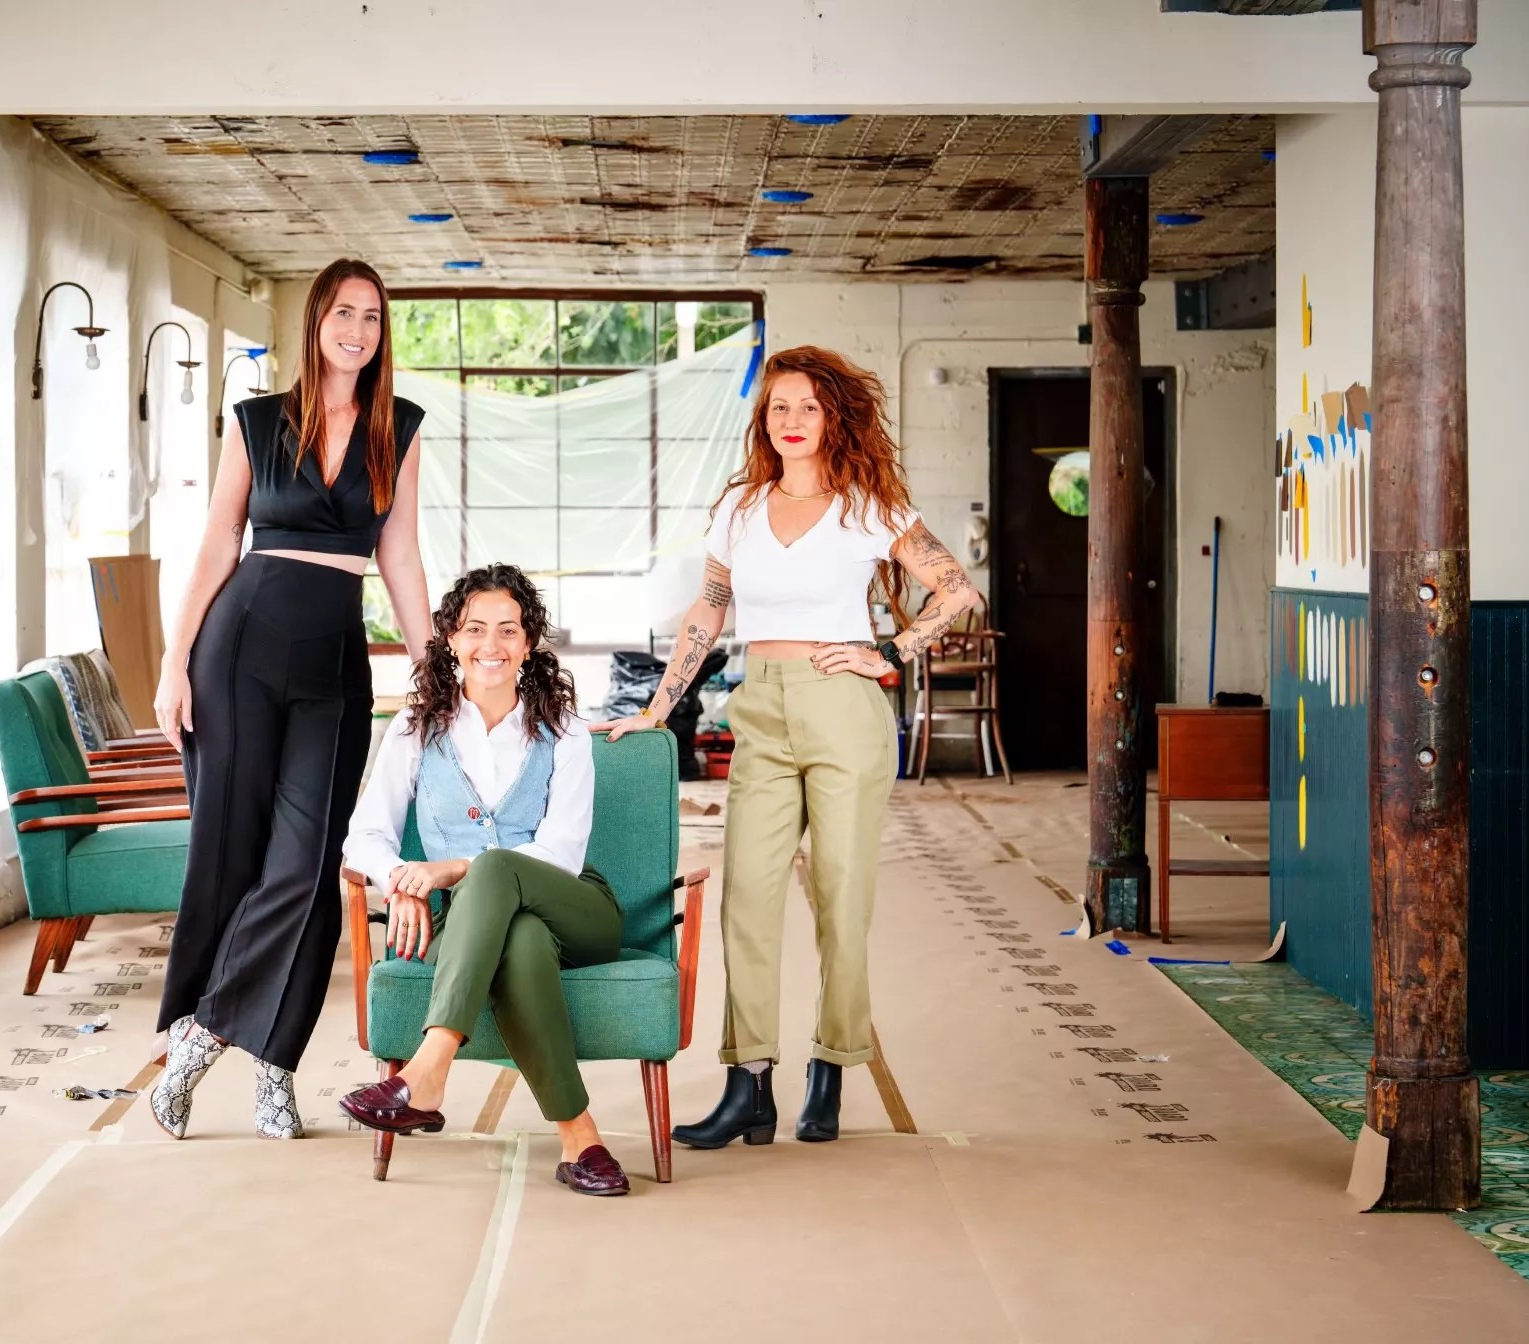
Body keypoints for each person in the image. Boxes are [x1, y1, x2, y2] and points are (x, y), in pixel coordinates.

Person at [596, 345, 982, 1147]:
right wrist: (660, 709)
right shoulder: (739, 509)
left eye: (809, 406)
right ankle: (750, 1086)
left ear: (833, 415)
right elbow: (706, 615)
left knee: (842, 905)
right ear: (763, 419)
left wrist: (892, 652)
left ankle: (831, 1074)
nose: (793, 421)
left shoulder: (870, 505)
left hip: (844, 709)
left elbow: (959, 592)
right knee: (747, 903)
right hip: (762, 712)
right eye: (779, 407)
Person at [147, 258, 431, 1140]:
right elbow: (218, 541)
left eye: (373, 318)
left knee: (307, 869)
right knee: (229, 854)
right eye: (343, 313)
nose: (357, 329)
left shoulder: (400, 428)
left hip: (335, 656)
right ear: (316, 322)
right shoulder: (258, 421)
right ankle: (268, 1070)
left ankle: (209, 1044)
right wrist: (173, 659)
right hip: (240, 645)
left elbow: (403, 558)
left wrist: (434, 670)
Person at [335, 565, 633, 1197]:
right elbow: (363, 838)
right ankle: (582, 1139)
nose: (490, 645)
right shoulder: (416, 730)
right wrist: (400, 881)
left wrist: (449, 869)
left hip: (578, 912)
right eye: (474, 629)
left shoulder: (565, 731)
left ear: (529, 644)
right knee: (519, 943)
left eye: (508, 629)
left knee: (498, 867)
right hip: (469, 928)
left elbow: (561, 853)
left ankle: (428, 1069)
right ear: (450, 638)